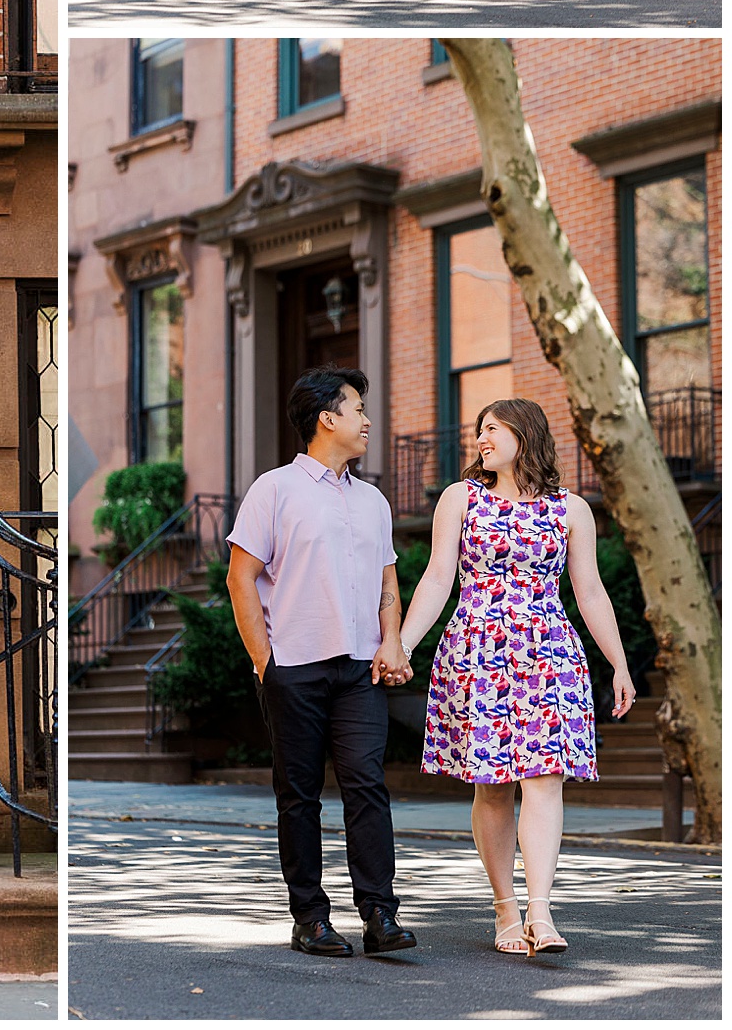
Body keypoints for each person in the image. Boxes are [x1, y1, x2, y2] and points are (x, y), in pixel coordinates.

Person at [397, 398, 634, 956]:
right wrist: (402, 645)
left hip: (549, 653)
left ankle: (541, 913)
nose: (481, 439)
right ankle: (505, 909)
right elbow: (436, 580)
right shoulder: (461, 499)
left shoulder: (571, 509)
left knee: (546, 780)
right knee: (494, 786)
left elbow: (590, 590)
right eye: (479, 430)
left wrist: (620, 663)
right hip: (477, 650)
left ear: (524, 435)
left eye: (493, 429)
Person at [227, 366, 418, 959]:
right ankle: (309, 917)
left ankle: (380, 916)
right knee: (300, 795)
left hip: (360, 669)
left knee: (367, 787)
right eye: (358, 409)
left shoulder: (373, 500)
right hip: (295, 667)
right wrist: (266, 662)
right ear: (327, 419)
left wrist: (392, 642)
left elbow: (389, 580)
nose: (367, 421)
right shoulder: (274, 490)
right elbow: (241, 577)